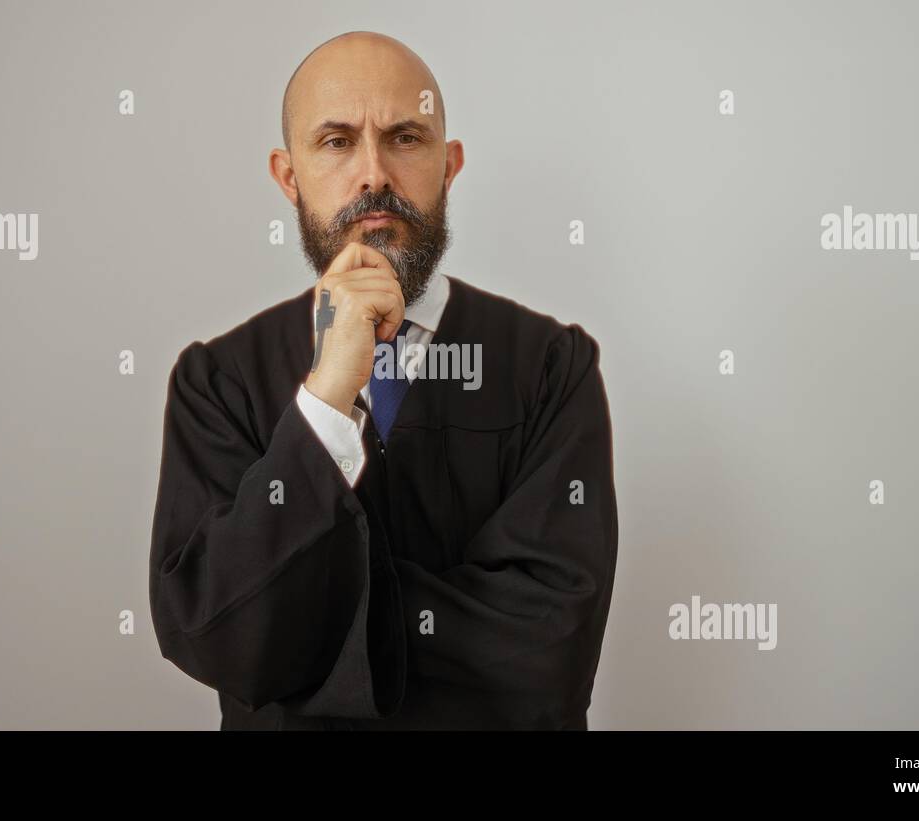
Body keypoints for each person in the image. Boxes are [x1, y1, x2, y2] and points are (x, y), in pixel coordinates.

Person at [148, 30, 618, 729]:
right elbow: (217, 634)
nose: (373, 174)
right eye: (336, 142)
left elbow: (546, 659)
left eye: (405, 137)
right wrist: (326, 398)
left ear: (449, 165)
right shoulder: (217, 382)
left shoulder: (550, 366)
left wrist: (312, 636)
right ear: (288, 176)